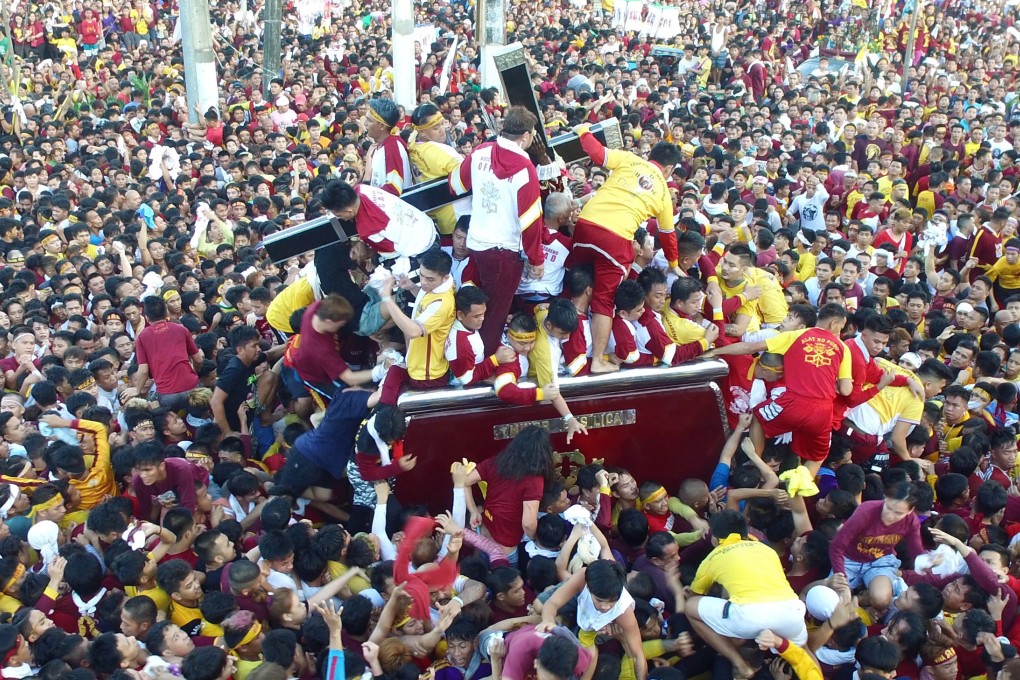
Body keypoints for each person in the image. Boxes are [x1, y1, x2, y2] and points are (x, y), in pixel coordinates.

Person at [568, 127, 684, 374]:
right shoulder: (663, 192)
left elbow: (597, 153)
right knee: (604, 300)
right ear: (670, 169)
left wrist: (583, 131)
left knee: (575, 281)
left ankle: (567, 347)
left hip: (585, 227)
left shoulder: (631, 159)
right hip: (615, 239)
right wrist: (674, 265)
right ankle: (597, 359)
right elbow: (667, 235)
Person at [449, 106, 547, 354]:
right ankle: (484, 362)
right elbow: (531, 220)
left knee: (475, 308)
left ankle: (466, 353)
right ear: (526, 136)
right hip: (504, 250)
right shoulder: (526, 169)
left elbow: (457, 184)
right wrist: (536, 259)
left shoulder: (481, 151)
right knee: (494, 314)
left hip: (477, 244)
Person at [685, 510, 806, 680]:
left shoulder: (714, 556)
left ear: (715, 539)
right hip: (792, 613)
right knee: (803, 655)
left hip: (750, 617)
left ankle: (740, 665)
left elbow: (695, 596)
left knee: (690, 607)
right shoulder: (767, 550)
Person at [133, 295, 202, 412]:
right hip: (191, 386)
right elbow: (198, 359)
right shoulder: (181, 329)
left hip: (167, 393)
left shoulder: (143, 337)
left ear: (147, 317)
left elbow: (144, 370)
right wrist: (195, 371)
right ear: (166, 314)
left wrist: (137, 390)